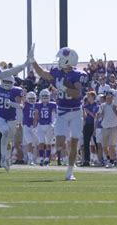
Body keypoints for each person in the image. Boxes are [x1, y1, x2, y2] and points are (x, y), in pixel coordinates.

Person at [30, 46, 87, 181]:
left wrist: (64, 88)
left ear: (68, 60)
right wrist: (32, 60)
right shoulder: (57, 72)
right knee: (60, 142)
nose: (59, 61)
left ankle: (70, 171)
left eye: (61, 58)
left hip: (75, 112)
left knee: (74, 143)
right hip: (61, 111)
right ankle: (64, 156)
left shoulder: (78, 74)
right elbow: (42, 73)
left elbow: (77, 94)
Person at [0, 75, 23, 172]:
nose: (7, 83)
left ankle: (7, 158)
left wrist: (11, 103)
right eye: (5, 81)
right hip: (0, 117)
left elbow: (21, 106)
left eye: (9, 82)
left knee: (9, 140)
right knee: (5, 132)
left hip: (12, 119)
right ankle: (2, 158)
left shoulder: (16, 90)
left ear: (13, 83)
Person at [95, 90, 117, 168]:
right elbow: (99, 115)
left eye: (110, 96)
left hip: (113, 127)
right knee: (104, 146)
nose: (109, 98)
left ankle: (111, 161)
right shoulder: (102, 105)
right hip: (104, 127)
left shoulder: (116, 105)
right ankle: (110, 159)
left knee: (111, 145)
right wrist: (99, 116)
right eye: (108, 96)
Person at [34, 89, 56, 166]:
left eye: (46, 96)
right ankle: (41, 158)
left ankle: (47, 158)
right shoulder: (38, 105)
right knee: (41, 142)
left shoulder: (52, 104)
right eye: (43, 96)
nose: (44, 97)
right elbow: (36, 115)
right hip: (40, 125)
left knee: (48, 143)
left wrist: (54, 124)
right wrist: (35, 124)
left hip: (49, 124)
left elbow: (54, 115)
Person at [82, 91, 99, 167]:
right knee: (86, 143)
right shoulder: (85, 106)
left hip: (94, 125)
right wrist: (84, 112)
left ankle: (99, 159)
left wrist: (87, 111)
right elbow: (84, 117)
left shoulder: (96, 106)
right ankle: (86, 160)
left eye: (89, 96)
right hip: (87, 125)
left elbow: (94, 116)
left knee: (96, 143)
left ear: (93, 97)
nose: (87, 98)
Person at [22, 91, 38, 165]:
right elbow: (22, 100)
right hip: (26, 126)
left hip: (34, 127)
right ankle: (30, 159)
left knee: (34, 144)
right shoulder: (26, 105)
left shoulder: (37, 105)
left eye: (33, 98)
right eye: (30, 98)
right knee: (30, 143)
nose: (31, 100)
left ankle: (33, 158)